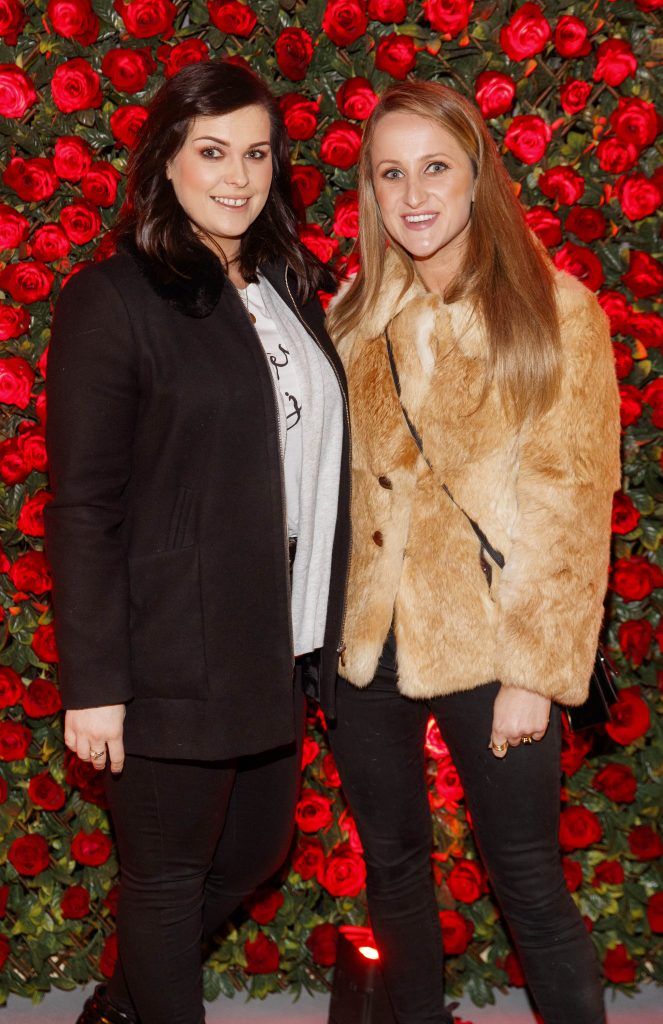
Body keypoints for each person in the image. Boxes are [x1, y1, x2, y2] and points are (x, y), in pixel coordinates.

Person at [45, 60, 350, 1024]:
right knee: (168, 878)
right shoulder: (116, 298)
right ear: (166, 161)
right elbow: (82, 505)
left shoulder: (286, 288)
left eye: (256, 153)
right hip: (172, 646)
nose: (238, 175)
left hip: (275, 640)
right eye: (212, 151)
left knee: (257, 852)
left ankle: (126, 1002)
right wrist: (96, 682)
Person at [325, 81, 620, 1024]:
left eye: (435, 168)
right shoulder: (354, 314)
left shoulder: (553, 311)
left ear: (476, 174)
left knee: (527, 877)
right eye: (391, 173)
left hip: (494, 643)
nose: (414, 194)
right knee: (393, 866)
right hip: (365, 641)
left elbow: (570, 503)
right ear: (370, 192)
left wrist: (535, 671)